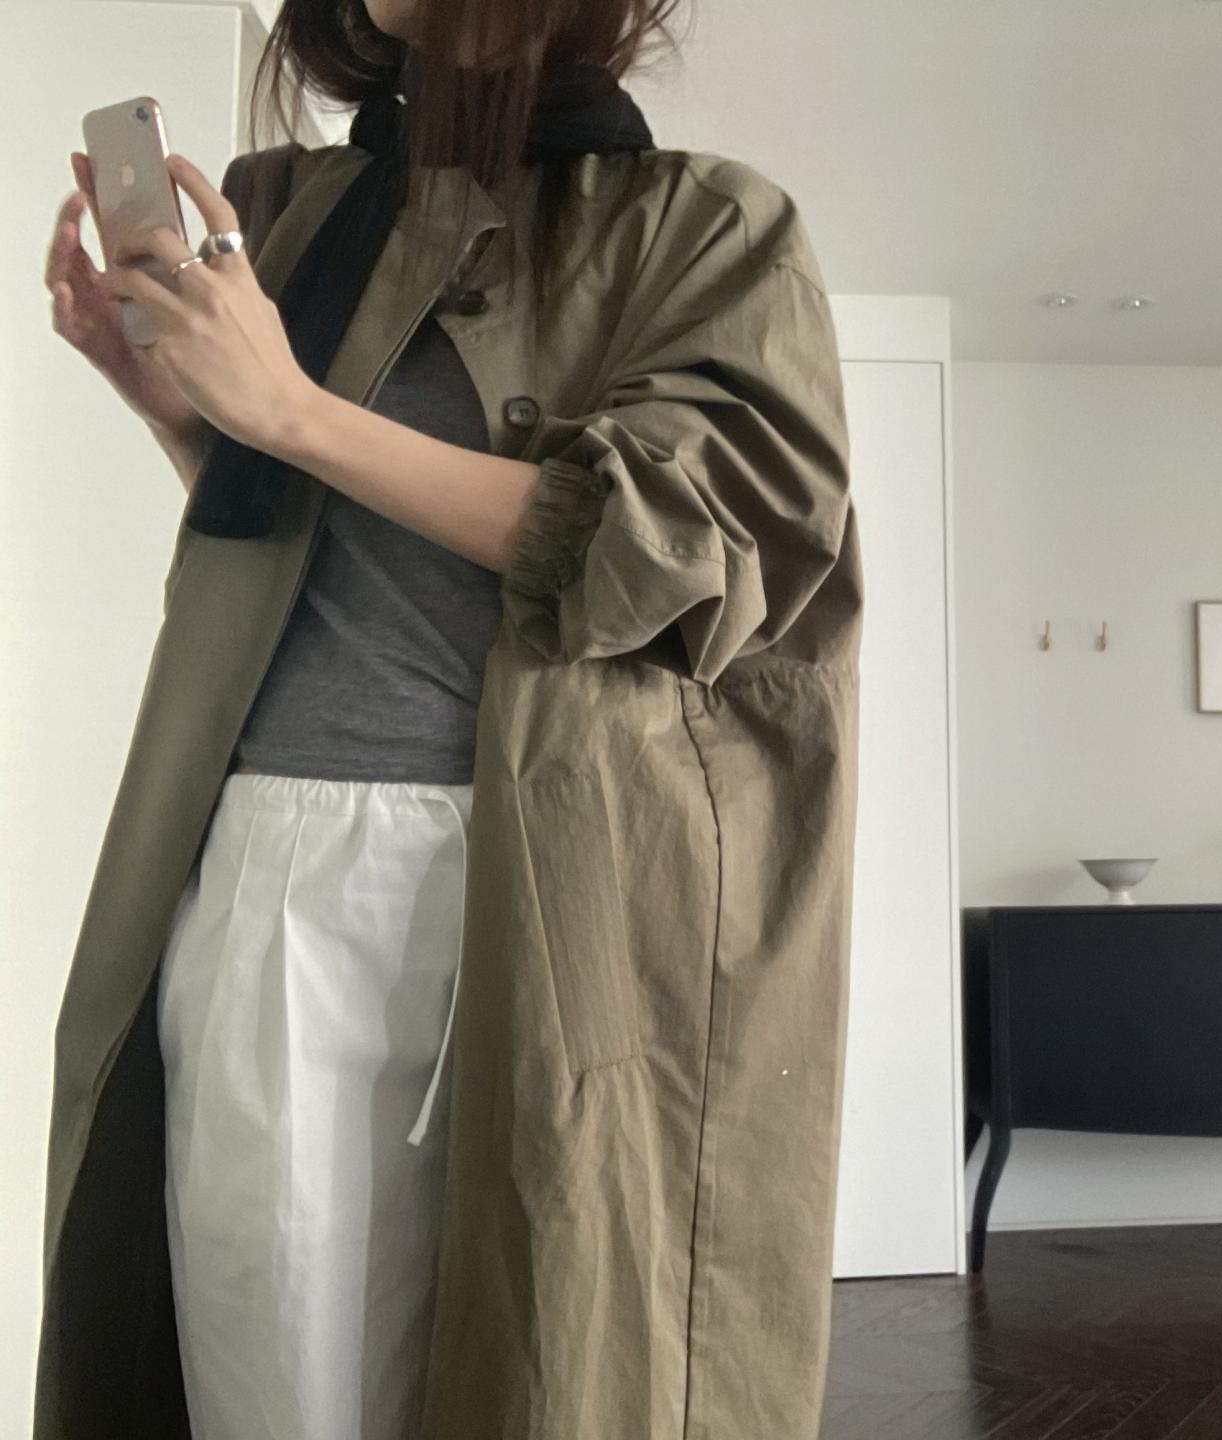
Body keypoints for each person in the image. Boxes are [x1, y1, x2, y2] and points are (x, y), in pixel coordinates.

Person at [37, 0, 862, 1436]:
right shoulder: (292, 207)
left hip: (536, 876)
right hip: (260, 863)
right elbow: (318, 554)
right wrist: (178, 411)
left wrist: (291, 411)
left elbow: (675, 559)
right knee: (272, 1381)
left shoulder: (704, 226)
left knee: (551, 1354)